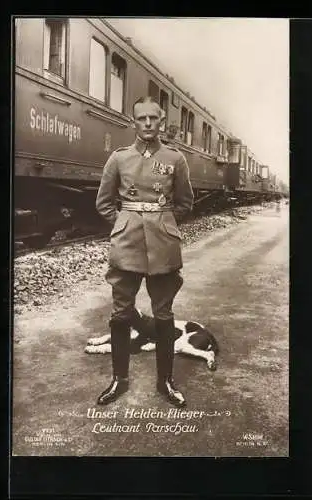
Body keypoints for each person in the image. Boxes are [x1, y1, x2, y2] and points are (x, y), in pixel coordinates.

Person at [95, 96, 194, 408]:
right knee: (121, 312)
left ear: (161, 121)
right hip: (126, 246)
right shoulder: (119, 158)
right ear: (133, 122)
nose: (148, 124)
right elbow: (104, 202)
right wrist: (125, 224)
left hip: (163, 246)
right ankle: (119, 380)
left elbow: (185, 202)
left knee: (164, 314)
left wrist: (161, 223)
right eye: (142, 119)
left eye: (154, 118)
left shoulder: (175, 159)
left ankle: (165, 381)